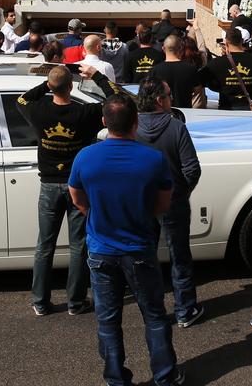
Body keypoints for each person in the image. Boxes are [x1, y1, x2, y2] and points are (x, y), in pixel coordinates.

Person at [67, 94, 185, 386]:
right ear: (136, 123)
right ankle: (165, 376)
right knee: (154, 316)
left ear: (104, 122)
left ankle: (116, 378)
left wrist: (95, 212)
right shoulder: (153, 159)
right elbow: (162, 203)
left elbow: (77, 198)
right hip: (140, 248)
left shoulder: (85, 156)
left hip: (100, 250)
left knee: (108, 321)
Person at [17, 64, 118, 317]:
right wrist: (97, 76)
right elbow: (115, 100)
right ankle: (76, 301)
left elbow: (22, 99)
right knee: (78, 245)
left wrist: (47, 85)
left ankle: (40, 301)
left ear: (50, 88)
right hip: (77, 186)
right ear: (71, 87)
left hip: (49, 185)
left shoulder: (37, 110)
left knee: (44, 245)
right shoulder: (85, 113)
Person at [136, 78, 203, 327]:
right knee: (180, 256)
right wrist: (180, 193)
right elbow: (192, 170)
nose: (172, 98)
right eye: (168, 94)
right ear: (159, 100)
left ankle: (152, 311)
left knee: (145, 258)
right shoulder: (176, 128)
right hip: (173, 202)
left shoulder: (132, 127)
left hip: (142, 203)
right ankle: (185, 309)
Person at [199, 27, 252, 111]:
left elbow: (201, 81)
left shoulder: (216, 63)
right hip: (251, 108)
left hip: (226, 108)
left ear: (226, 43)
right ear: (242, 41)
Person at [152, 34, 202, 110]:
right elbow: (197, 90)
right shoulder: (191, 69)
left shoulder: (155, 70)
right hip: (185, 113)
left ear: (163, 48)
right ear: (181, 48)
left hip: (162, 113)